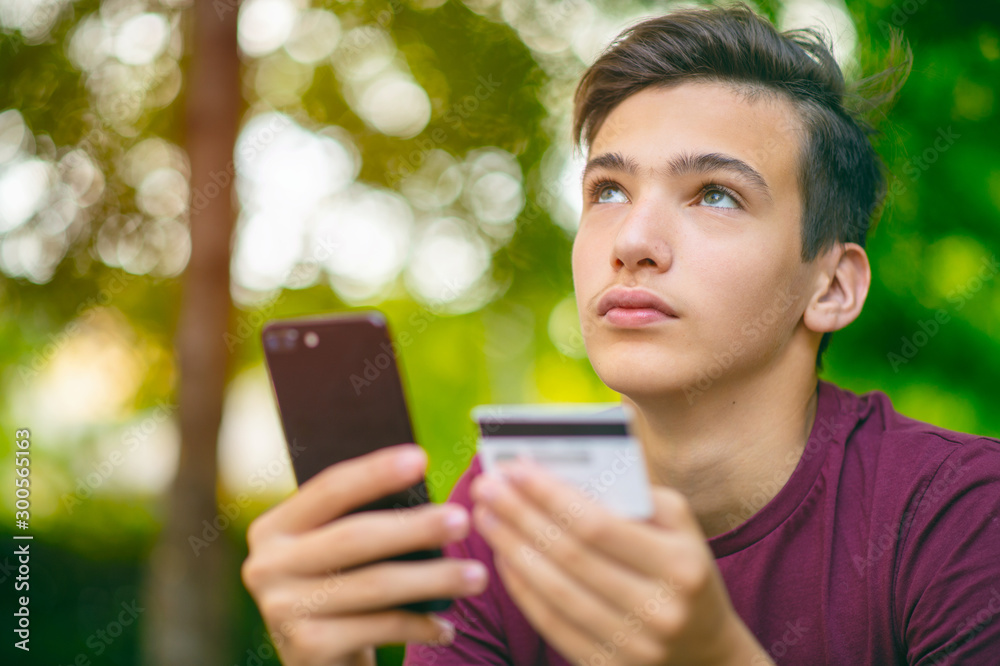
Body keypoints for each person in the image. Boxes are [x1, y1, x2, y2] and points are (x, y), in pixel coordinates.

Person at [241, 4, 1000, 665]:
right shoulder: (516, 508)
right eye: (608, 190)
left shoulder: (960, 515)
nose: (632, 239)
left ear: (832, 286)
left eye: (715, 195)